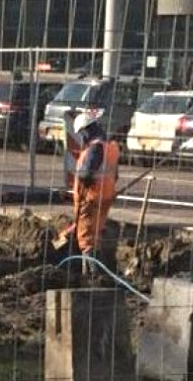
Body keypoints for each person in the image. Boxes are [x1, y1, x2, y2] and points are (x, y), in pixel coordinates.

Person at [71, 112, 120, 273]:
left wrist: (84, 180)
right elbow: (115, 175)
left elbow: (86, 173)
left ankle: (92, 275)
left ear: (86, 131)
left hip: (90, 200)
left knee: (85, 239)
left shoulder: (94, 149)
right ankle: (99, 271)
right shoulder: (110, 148)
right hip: (104, 198)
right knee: (95, 235)